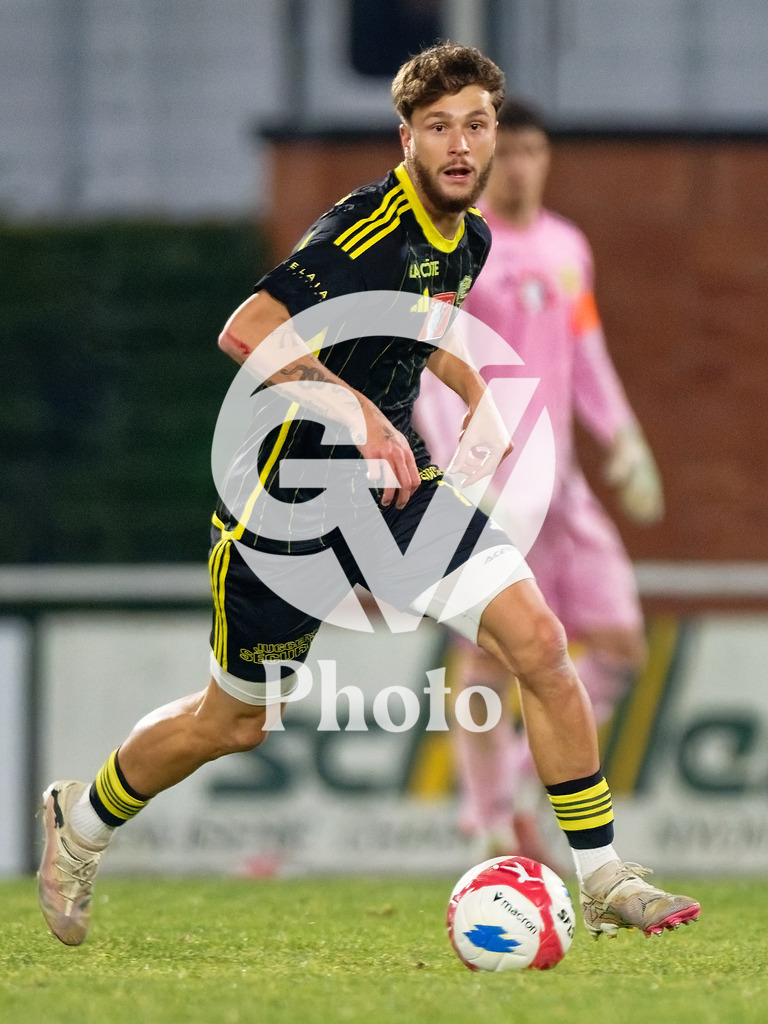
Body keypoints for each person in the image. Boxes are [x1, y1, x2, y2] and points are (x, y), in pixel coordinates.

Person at [38, 43, 698, 948]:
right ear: (406, 138)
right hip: (286, 502)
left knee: (540, 643)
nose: (460, 145)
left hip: (394, 494)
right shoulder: (363, 228)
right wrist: (356, 409)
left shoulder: (468, 236)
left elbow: (418, 322)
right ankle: (82, 819)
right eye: (439, 128)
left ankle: (603, 874)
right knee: (233, 722)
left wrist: (471, 393)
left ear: (494, 132)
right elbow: (248, 330)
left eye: (476, 124)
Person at [414, 97, 665, 867]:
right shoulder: (460, 250)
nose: (519, 165)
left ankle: (525, 788)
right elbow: (429, 371)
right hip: (491, 488)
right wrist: (461, 472)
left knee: (619, 641)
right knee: (492, 656)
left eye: (532, 150)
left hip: (564, 491)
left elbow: (583, 349)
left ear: (546, 157)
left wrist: (624, 439)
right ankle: (489, 822)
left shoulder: (567, 246)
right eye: (507, 150)